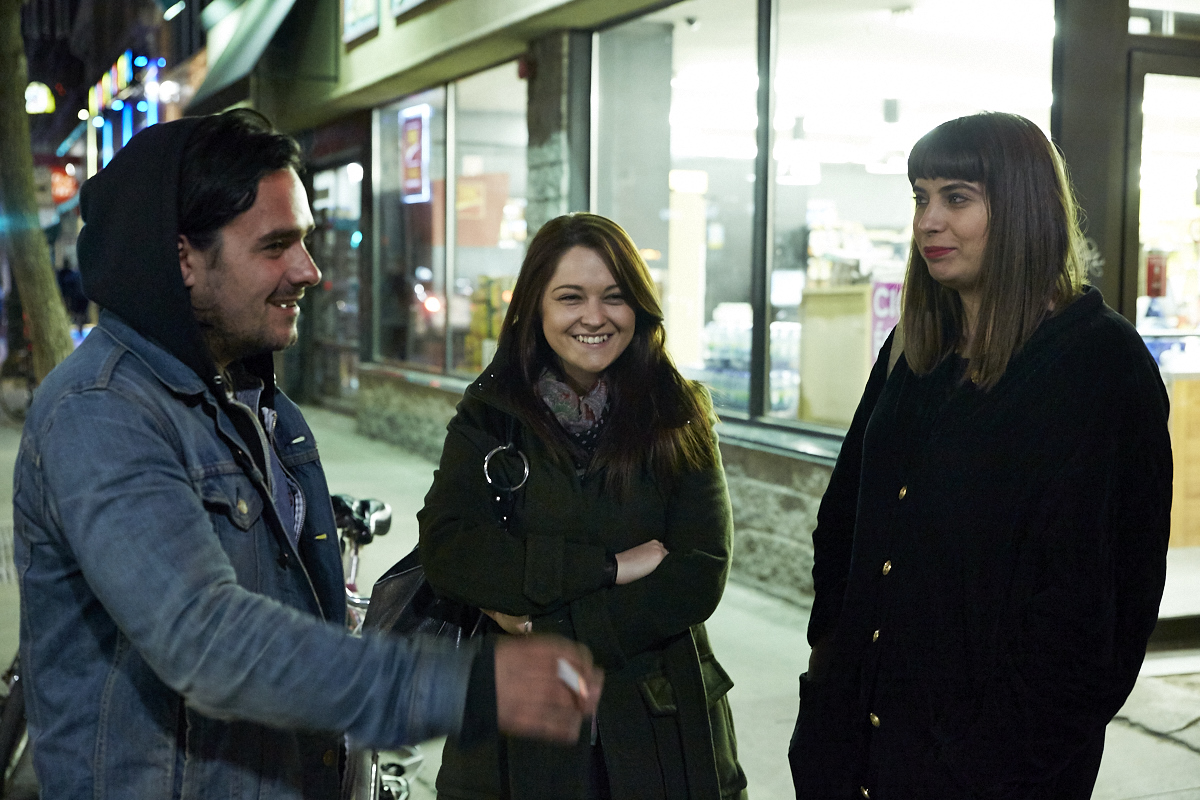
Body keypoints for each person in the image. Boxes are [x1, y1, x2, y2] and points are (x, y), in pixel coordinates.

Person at [12, 109, 601, 800]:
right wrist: (460, 686)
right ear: (183, 260)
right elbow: (209, 640)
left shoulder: (256, 403)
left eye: (306, 240)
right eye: (276, 245)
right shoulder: (103, 412)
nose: (310, 270)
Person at [787, 112, 1173, 800]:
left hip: (992, 774)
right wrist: (829, 671)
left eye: (956, 197)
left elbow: (1097, 614)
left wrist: (990, 760)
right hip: (856, 752)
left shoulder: (1099, 365)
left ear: (1022, 208)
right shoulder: (914, 348)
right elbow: (844, 517)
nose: (928, 221)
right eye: (920, 197)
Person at [417, 213, 748, 800]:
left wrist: (542, 623)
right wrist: (608, 570)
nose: (594, 317)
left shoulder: (679, 413)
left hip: (656, 724)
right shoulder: (490, 416)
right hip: (515, 738)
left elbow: (698, 571)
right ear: (534, 308)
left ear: (639, 307)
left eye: (614, 297)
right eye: (570, 297)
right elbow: (451, 548)